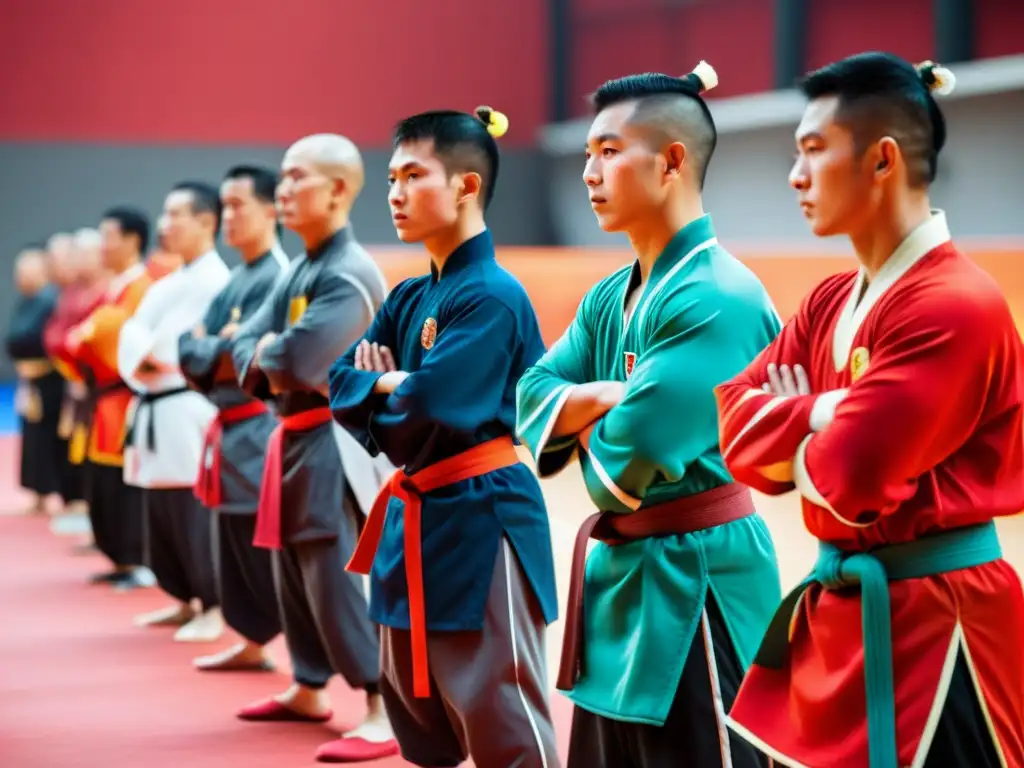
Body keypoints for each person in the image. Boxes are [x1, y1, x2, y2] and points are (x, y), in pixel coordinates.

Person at [716, 53, 1024, 768]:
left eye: (814, 151)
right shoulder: (829, 301)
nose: (795, 176)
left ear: (882, 160)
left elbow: (849, 482)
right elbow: (731, 426)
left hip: (943, 630)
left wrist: (794, 428)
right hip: (846, 616)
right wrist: (826, 411)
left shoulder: (954, 306)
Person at [515, 63, 783, 768]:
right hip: (624, 582)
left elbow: (617, 476)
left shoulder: (716, 295)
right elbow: (529, 393)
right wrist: (604, 399)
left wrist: (580, 411)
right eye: (586, 156)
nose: (588, 173)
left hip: (698, 590)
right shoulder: (612, 294)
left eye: (608, 152)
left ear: (671, 161)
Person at [329, 107, 559, 768]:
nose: (394, 192)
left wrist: (390, 387)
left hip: (483, 515)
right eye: (392, 176)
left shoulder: (490, 295)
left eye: (412, 174)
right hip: (415, 513)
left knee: (498, 708)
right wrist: (389, 385)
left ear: (464, 186)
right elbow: (341, 378)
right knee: (418, 712)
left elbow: (435, 405)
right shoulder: (407, 296)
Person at [231, 133, 397, 764]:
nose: (283, 189)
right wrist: (261, 352)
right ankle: (307, 684)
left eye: (297, 177)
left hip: (336, 437)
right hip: (295, 435)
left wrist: (260, 352)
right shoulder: (301, 267)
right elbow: (247, 343)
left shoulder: (348, 272)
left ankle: (382, 705)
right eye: (282, 177)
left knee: (335, 574)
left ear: (337, 189)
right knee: (294, 569)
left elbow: (302, 359)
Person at [179, 165, 288, 672]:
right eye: (223, 206)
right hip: (226, 423)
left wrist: (210, 346)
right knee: (229, 543)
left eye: (238, 205)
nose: (228, 216)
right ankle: (250, 639)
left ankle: (284, 648)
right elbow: (192, 346)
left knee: (256, 541)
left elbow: (233, 356)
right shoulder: (240, 275)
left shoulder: (276, 275)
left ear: (272, 209)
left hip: (257, 422)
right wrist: (210, 346)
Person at [118, 182, 230, 640]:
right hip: (153, 402)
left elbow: (181, 345)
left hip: (187, 407)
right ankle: (183, 598)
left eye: (175, 214)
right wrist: (140, 358)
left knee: (193, 513)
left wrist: (151, 354)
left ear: (206, 221)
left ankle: (214, 606)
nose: (165, 225)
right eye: (163, 214)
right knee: (161, 512)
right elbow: (130, 335)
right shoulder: (167, 282)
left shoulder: (217, 281)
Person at [58, 208, 153, 586]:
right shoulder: (114, 288)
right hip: (103, 397)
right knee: (102, 483)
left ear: (131, 241)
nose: (102, 246)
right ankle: (117, 557)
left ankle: (134, 560)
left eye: (108, 237)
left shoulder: (141, 287)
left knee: (121, 483)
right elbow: (79, 336)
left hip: (123, 397)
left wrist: (92, 331)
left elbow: (104, 336)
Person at [45, 228, 108, 528]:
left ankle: (88, 505)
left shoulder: (105, 288)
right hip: (73, 375)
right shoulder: (75, 290)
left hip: (95, 380)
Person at [5, 245, 63, 514]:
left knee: (46, 436)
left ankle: (54, 491)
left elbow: (38, 337)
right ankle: (36, 493)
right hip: (30, 378)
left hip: (48, 378)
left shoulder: (50, 299)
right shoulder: (28, 300)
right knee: (30, 437)